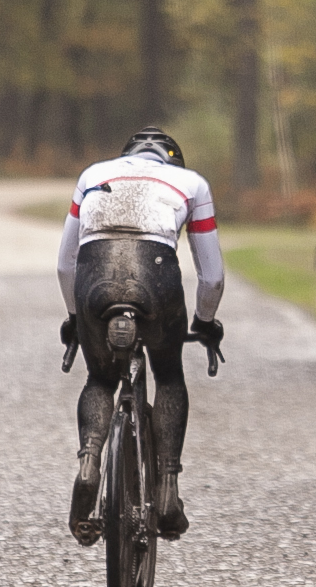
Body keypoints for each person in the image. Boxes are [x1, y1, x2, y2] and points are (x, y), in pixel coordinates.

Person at [58, 127, 225, 543]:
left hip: (95, 278)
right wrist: (205, 321)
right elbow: (212, 277)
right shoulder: (192, 183)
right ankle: (167, 488)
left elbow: (65, 264)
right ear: (172, 160)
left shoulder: (92, 174)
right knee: (167, 375)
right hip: (155, 277)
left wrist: (75, 317)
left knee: (100, 379)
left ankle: (89, 462)